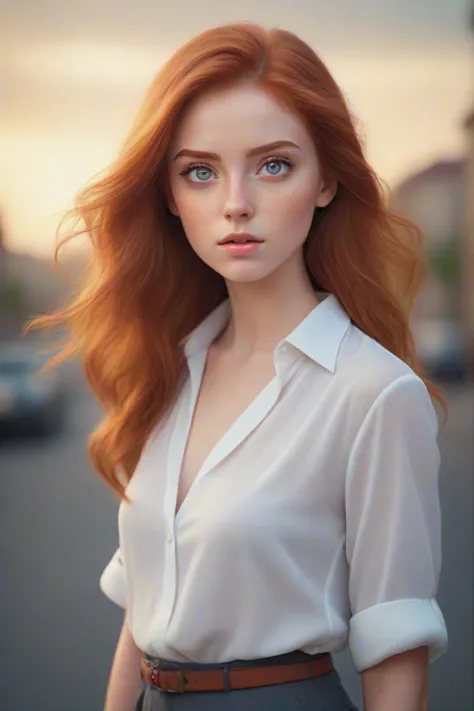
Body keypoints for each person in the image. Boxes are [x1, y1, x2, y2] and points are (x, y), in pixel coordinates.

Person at [27, 22, 448, 711]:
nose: (235, 204)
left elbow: (396, 654)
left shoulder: (374, 393)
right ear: (168, 194)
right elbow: (143, 618)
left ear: (327, 179)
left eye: (274, 164)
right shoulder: (164, 372)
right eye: (201, 171)